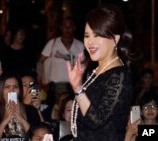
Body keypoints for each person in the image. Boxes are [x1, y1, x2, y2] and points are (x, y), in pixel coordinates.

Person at [67, 4, 133, 141]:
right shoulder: (97, 71)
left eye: (97, 35)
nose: (90, 42)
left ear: (115, 38)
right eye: (87, 35)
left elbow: (95, 120)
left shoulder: (118, 76)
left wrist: (78, 88)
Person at [37, 17, 85, 108]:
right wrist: (39, 79)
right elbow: (40, 62)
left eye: (70, 26)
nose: (67, 29)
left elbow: (83, 66)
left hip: (73, 87)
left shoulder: (80, 45)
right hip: (55, 88)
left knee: (71, 112)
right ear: (61, 27)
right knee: (55, 111)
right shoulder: (53, 43)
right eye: (65, 26)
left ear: (74, 28)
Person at [0, 71, 41, 140]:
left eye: (15, 86)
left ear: (19, 90)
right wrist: (5, 120)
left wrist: (21, 118)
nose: (12, 90)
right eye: (7, 87)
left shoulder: (31, 110)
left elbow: (37, 137)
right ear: (0, 90)